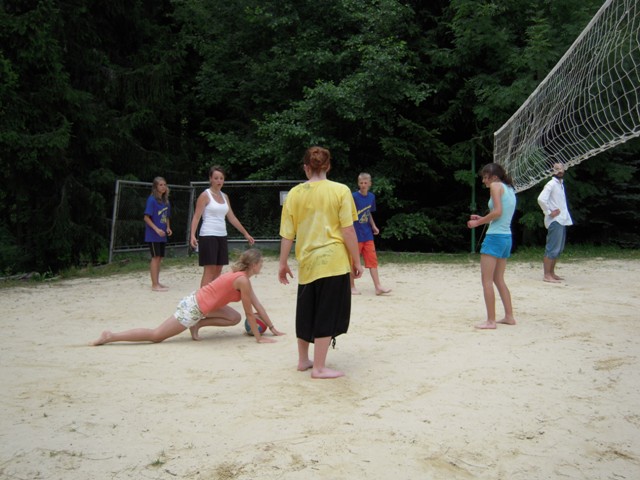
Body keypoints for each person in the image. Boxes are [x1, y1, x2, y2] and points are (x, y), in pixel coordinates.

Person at [279, 146, 363, 379]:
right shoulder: (341, 190)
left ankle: (303, 360)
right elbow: (348, 230)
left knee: (306, 310)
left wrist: (282, 263)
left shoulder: (295, 193)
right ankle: (319, 367)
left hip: (307, 262)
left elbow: (287, 233)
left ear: (306, 167)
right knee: (327, 312)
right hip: (333, 261)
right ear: (328, 166)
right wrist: (357, 261)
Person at [91, 249, 284, 345]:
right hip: (193, 307)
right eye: (261, 263)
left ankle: (197, 324)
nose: (262, 266)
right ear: (254, 265)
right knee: (156, 336)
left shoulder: (243, 279)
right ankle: (111, 336)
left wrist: (273, 328)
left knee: (234, 317)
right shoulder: (242, 280)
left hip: (201, 305)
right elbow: (250, 312)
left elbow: (257, 305)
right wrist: (259, 338)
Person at [467, 163, 517, 330]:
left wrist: (478, 222)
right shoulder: (509, 189)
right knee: (499, 279)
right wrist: (482, 218)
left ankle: (491, 321)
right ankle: (509, 316)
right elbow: (500, 215)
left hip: (495, 237)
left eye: (485, 177)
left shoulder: (496, 186)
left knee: (487, 280)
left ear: (494, 177)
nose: (483, 180)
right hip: (506, 237)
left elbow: (497, 212)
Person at [190, 165, 255, 287]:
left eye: (221, 178)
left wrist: (245, 233)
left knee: (218, 269)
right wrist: (192, 235)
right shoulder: (205, 195)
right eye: (216, 178)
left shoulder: (225, 197)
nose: (219, 181)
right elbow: (196, 216)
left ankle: (214, 295)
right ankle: (203, 297)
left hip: (222, 235)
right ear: (210, 179)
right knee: (210, 269)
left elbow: (232, 217)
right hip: (208, 235)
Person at [350, 172, 391, 296]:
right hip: (355, 235)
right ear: (358, 184)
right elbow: (347, 213)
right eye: (361, 183)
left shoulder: (371, 197)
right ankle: (351, 287)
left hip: (367, 234)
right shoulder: (353, 197)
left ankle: (378, 287)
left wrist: (373, 226)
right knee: (352, 262)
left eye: (365, 183)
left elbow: (368, 213)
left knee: (372, 261)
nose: (363, 185)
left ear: (370, 184)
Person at [537, 163, 573, 283]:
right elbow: (541, 199)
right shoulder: (551, 184)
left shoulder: (560, 184)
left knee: (558, 248)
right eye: (557, 169)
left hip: (562, 219)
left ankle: (552, 273)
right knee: (552, 248)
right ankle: (547, 275)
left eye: (561, 169)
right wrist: (548, 212)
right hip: (555, 220)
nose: (560, 171)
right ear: (552, 171)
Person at [144, 177, 172, 292]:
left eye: (164, 184)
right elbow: (146, 217)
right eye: (160, 185)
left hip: (162, 234)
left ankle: (157, 282)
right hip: (153, 234)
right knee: (155, 257)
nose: (163, 187)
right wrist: (156, 229)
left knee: (160, 257)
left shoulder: (165, 201)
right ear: (155, 187)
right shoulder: (152, 200)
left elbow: (166, 216)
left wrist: (168, 227)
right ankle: (154, 284)